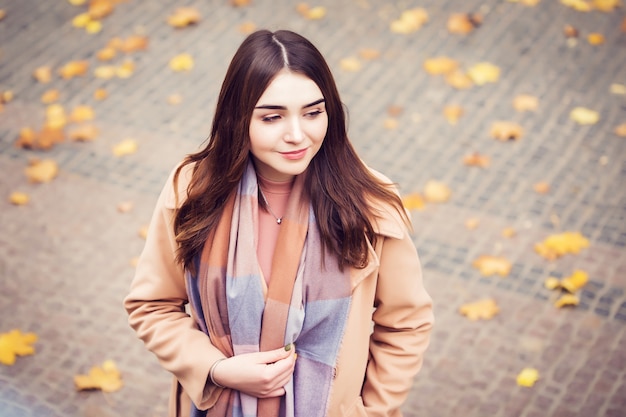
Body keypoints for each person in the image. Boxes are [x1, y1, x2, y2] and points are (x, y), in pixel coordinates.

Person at [124, 29, 434, 417]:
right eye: (272, 117)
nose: (297, 135)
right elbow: (153, 305)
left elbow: (405, 323)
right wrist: (216, 369)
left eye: (313, 112)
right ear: (238, 120)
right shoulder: (193, 191)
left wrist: (371, 411)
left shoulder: (367, 203)